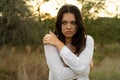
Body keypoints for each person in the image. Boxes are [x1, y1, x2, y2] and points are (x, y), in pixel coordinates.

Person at [43, 4, 94, 80]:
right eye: (64, 22)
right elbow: (59, 76)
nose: (68, 27)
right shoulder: (50, 41)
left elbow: (81, 68)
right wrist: (86, 69)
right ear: (59, 24)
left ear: (78, 24)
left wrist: (59, 44)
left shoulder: (87, 40)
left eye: (73, 23)